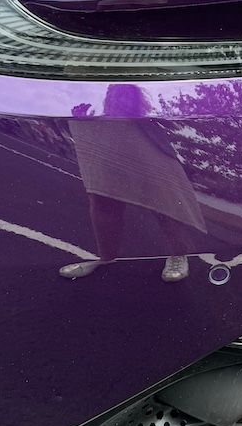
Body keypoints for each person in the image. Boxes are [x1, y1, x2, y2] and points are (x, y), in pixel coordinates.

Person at [61, 84, 207, 282]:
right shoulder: (94, 106)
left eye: (126, 96)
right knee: (102, 198)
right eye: (115, 96)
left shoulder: (149, 115)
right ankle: (104, 258)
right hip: (106, 145)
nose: (120, 100)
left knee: (165, 204)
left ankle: (178, 254)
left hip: (147, 147)